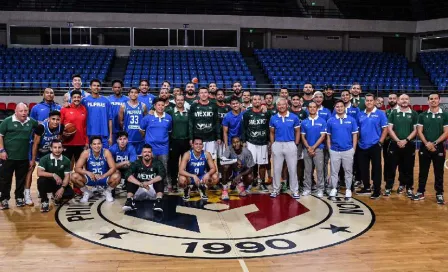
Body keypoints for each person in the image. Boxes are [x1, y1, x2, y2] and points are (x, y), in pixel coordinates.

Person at [0, 103, 38, 210]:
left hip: (24, 157)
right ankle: (4, 199)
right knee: (5, 179)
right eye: (21, 111)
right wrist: (1, 150)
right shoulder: (7, 121)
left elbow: (41, 126)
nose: (24, 113)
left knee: (21, 179)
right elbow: (0, 136)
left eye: (25, 111)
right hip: (7, 156)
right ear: (15, 112)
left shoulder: (30, 121)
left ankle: (19, 197)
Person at [414, 92, 448, 204]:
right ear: (427, 101)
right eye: (431, 99)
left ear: (439, 100)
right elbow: (419, 131)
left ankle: (439, 193)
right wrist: (427, 143)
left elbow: (446, 132)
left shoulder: (445, 115)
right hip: (424, 147)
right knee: (423, 171)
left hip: (439, 147)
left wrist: (434, 143)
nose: (433, 100)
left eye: (435, 99)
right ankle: (420, 192)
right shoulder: (422, 115)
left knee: (439, 172)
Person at [25, 110, 64, 206]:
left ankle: (48, 190)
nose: (55, 122)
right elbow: (35, 144)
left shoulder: (60, 127)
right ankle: (26, 194)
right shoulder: (41, 127)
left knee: (52, 170)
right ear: (49, 119)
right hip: (35, 150)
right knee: (30, 169)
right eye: (53, 119)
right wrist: (33, 160)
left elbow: (57, 142)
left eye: (57, 120)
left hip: (47, 151)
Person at [356, 93, 388, 199]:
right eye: (367, 100)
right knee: (363, 168)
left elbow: (385, 129)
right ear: (364, 102)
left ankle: (377, 190)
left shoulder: (380, 114)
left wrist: (380, 142)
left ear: (374, 101)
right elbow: (358, 130)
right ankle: (366, 187)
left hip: (375, 145)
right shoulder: (360, 114)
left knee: (376, 169)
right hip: (362, 145)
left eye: (371, 100)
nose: (369, 102)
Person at [385, 94, 418, 198]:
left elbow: (416, 130)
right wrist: (398, 140)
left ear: (409, 100)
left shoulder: (414, 114)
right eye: (402, 99)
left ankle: (407, 187)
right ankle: (388, 187)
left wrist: (406, 140)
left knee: (408, 167)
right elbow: (389, 129)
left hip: (409, 144)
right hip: (395, 144)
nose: (404, 101)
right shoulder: (393, 113)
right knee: (391, 166)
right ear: (399, 101)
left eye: (406, 99)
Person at [71, 136, 121, 203]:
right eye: (94, 144)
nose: (97, 146)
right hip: (90, 178)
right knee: (74, 176)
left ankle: (108, 191)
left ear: (102, 144)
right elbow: (76, 168)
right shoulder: (86, 153)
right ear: (91, 145)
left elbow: (113, 168)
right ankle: (87, 192)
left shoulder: (106, 152)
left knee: (117, 176)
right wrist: (88, 173)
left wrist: (104, 175)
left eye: (99, 144)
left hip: (104, 178)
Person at [269, 98, 301, 199]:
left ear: (287, 105)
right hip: (277, 144)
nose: (281, 107)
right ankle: (275, 190)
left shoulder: (294, 117)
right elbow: (272, 132)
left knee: (292, 169)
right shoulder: (273, 118)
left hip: (290, 144)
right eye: (279, 105)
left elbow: (297, 131)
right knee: (277, 169)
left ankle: (295, 190)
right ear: (277, 106)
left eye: (283, 105)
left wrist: (295, 143)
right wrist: (273, 144)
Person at [327, 100, 358, 200]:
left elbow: (355, 135)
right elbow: (328, 137)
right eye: (337, 107)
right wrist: (329, 149)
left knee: (348, 171)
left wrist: (353, 149)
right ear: (335, 108)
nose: (339, 108)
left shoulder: (351, 120)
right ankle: (334, 188)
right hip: (334, 150)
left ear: (344, 108)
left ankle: (348, 190)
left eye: (341, 106)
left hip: (348, 150)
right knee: (334, 172)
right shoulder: (330, 121)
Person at [139, 98, 172, 190]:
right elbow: (141, 130)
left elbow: (169, 131)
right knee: (150, 167)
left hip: (164, 148)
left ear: (165, 106)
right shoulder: (148, 118)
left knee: (163, 167)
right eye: (159, 105)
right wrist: (148, 139)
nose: (161, 107)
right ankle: (149, 185)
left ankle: (164, 185)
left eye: (162, 105)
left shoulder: (168, 117)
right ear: (154, 106)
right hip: (150, 148)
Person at [122, 144, 165, 212]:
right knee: (131, 179)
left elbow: (162, 174)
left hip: (152, 190)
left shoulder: (157, 162)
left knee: (159, 180)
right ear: (141, 154)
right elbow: (127, 174)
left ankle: (158, 202)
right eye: (145, 152)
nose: (147, 154)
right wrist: (141, 184)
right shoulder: (136, 163)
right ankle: (129, 201)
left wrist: (148, 182)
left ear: (152, 153)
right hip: (139, 189)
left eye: (149, 152)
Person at [242, 94, 271, 192]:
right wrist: (244, 141)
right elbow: (244, 128)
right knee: (251, 164)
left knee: (262, 164)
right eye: (255, 99)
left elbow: (269, 128)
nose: (257, 101)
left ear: (261, 101)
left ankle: (262, 183)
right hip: (251, 142)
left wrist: (269, 141)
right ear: (252, 101)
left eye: (259, 99)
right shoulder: (246, 114)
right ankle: (250, 182)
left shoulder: (267, 113)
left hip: (263, 142)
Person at [36, 140, 73, 212]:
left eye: (59, 147)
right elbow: (39, 173)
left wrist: (62, 188)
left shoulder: (67, 160)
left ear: (63, 149)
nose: (57, 150)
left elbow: (67, 176)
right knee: (41, 181)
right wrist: (53, 175)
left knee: (70, 194)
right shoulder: (44, 159)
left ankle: (57, 198)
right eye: (55, 147)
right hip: (48, 183)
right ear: (51, 149)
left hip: (60, 183)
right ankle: (44, 202)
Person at [301, 102, 327, 198]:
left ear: (317, 109)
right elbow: (302, 137)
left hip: (318, 149)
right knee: (307, 170)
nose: (312, 109)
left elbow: (322, 136)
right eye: (310, 107)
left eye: (314, 107)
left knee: (320, 170)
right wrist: (308, 147)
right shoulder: (304, 122)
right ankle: (307, 188)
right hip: (307, 149)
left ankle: (320, 189)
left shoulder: (322, 121)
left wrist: (313, 147)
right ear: (308, 109)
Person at [166, 94, 190, 191]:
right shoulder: (170, 112)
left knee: (187, 162)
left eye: (182, 100)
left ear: (184, 101)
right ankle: (174, 182)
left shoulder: (188, 112)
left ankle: (187, 181)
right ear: (175, 101)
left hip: (186, 141)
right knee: (173, 163)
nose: (180, 101)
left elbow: (190, 127)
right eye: (178, 100)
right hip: (174, 141)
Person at [189, 87, 220, 160]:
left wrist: (218, 137)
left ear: (208, 94)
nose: (203, 94)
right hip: (197, 137)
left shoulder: (213, 106)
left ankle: (211, 171)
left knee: (211, 159)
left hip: (211, 137)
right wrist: (191, 138)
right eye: (201, 93)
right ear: (198, 94)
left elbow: (217, 122)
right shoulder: (194, 106)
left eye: (205, 92)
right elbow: (191, 123)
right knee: (197, 159)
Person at [82, 79, 113, 148]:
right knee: (89, 157)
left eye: (98, 86)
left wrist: (110, 135)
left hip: (104, 134)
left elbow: (110, 119)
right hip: (89, 134)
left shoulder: (106, 101)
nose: (96, 87)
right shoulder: (84, 101)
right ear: (90, 87)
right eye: (94, 85)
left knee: (104, 156)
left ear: (100, 87)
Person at [60, 90, 88, 166]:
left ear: (81, 98)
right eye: (74, 97)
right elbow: (60, 125)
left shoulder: (84, 109)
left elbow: (85, 126)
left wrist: (86, 141)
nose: (76, 99)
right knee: (66, 167)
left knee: (80, 167)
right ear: (71, 98)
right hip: (67, 142)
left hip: (80, 142)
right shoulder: (64, 109)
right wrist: (61, 137)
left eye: (78, 97)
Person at [119, 87, 147, 155]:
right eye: (131, 92)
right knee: (129, 157)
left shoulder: (143, 106)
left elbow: (146, 121)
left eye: (135, 92)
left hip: (140, 136)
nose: (133, 94)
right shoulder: (123, 106)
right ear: (128, 94)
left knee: (139, 157)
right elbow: (121, 121)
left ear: (138, 94)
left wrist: (143, 133)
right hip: (128, 136)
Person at [384, 93, 400, 191]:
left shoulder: (402, 111)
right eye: (390, 98)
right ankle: (388, 183)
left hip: (400, 141)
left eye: (394, 98)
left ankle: (402, 184)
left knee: (401, 163)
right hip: (387, 141)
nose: (392, 100)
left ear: (397, 100)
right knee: (388, 163)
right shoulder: (387, 112)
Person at [216, 89, 231, 160]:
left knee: (227, 156)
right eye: (218, 94)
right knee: (218, 156)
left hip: (227, 135)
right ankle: (219, 171)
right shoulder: (213, 107)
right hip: (216, 136)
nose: (220, 96)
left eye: (221, 94)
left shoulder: (229, 108)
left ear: (224, 96)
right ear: (215, 96)